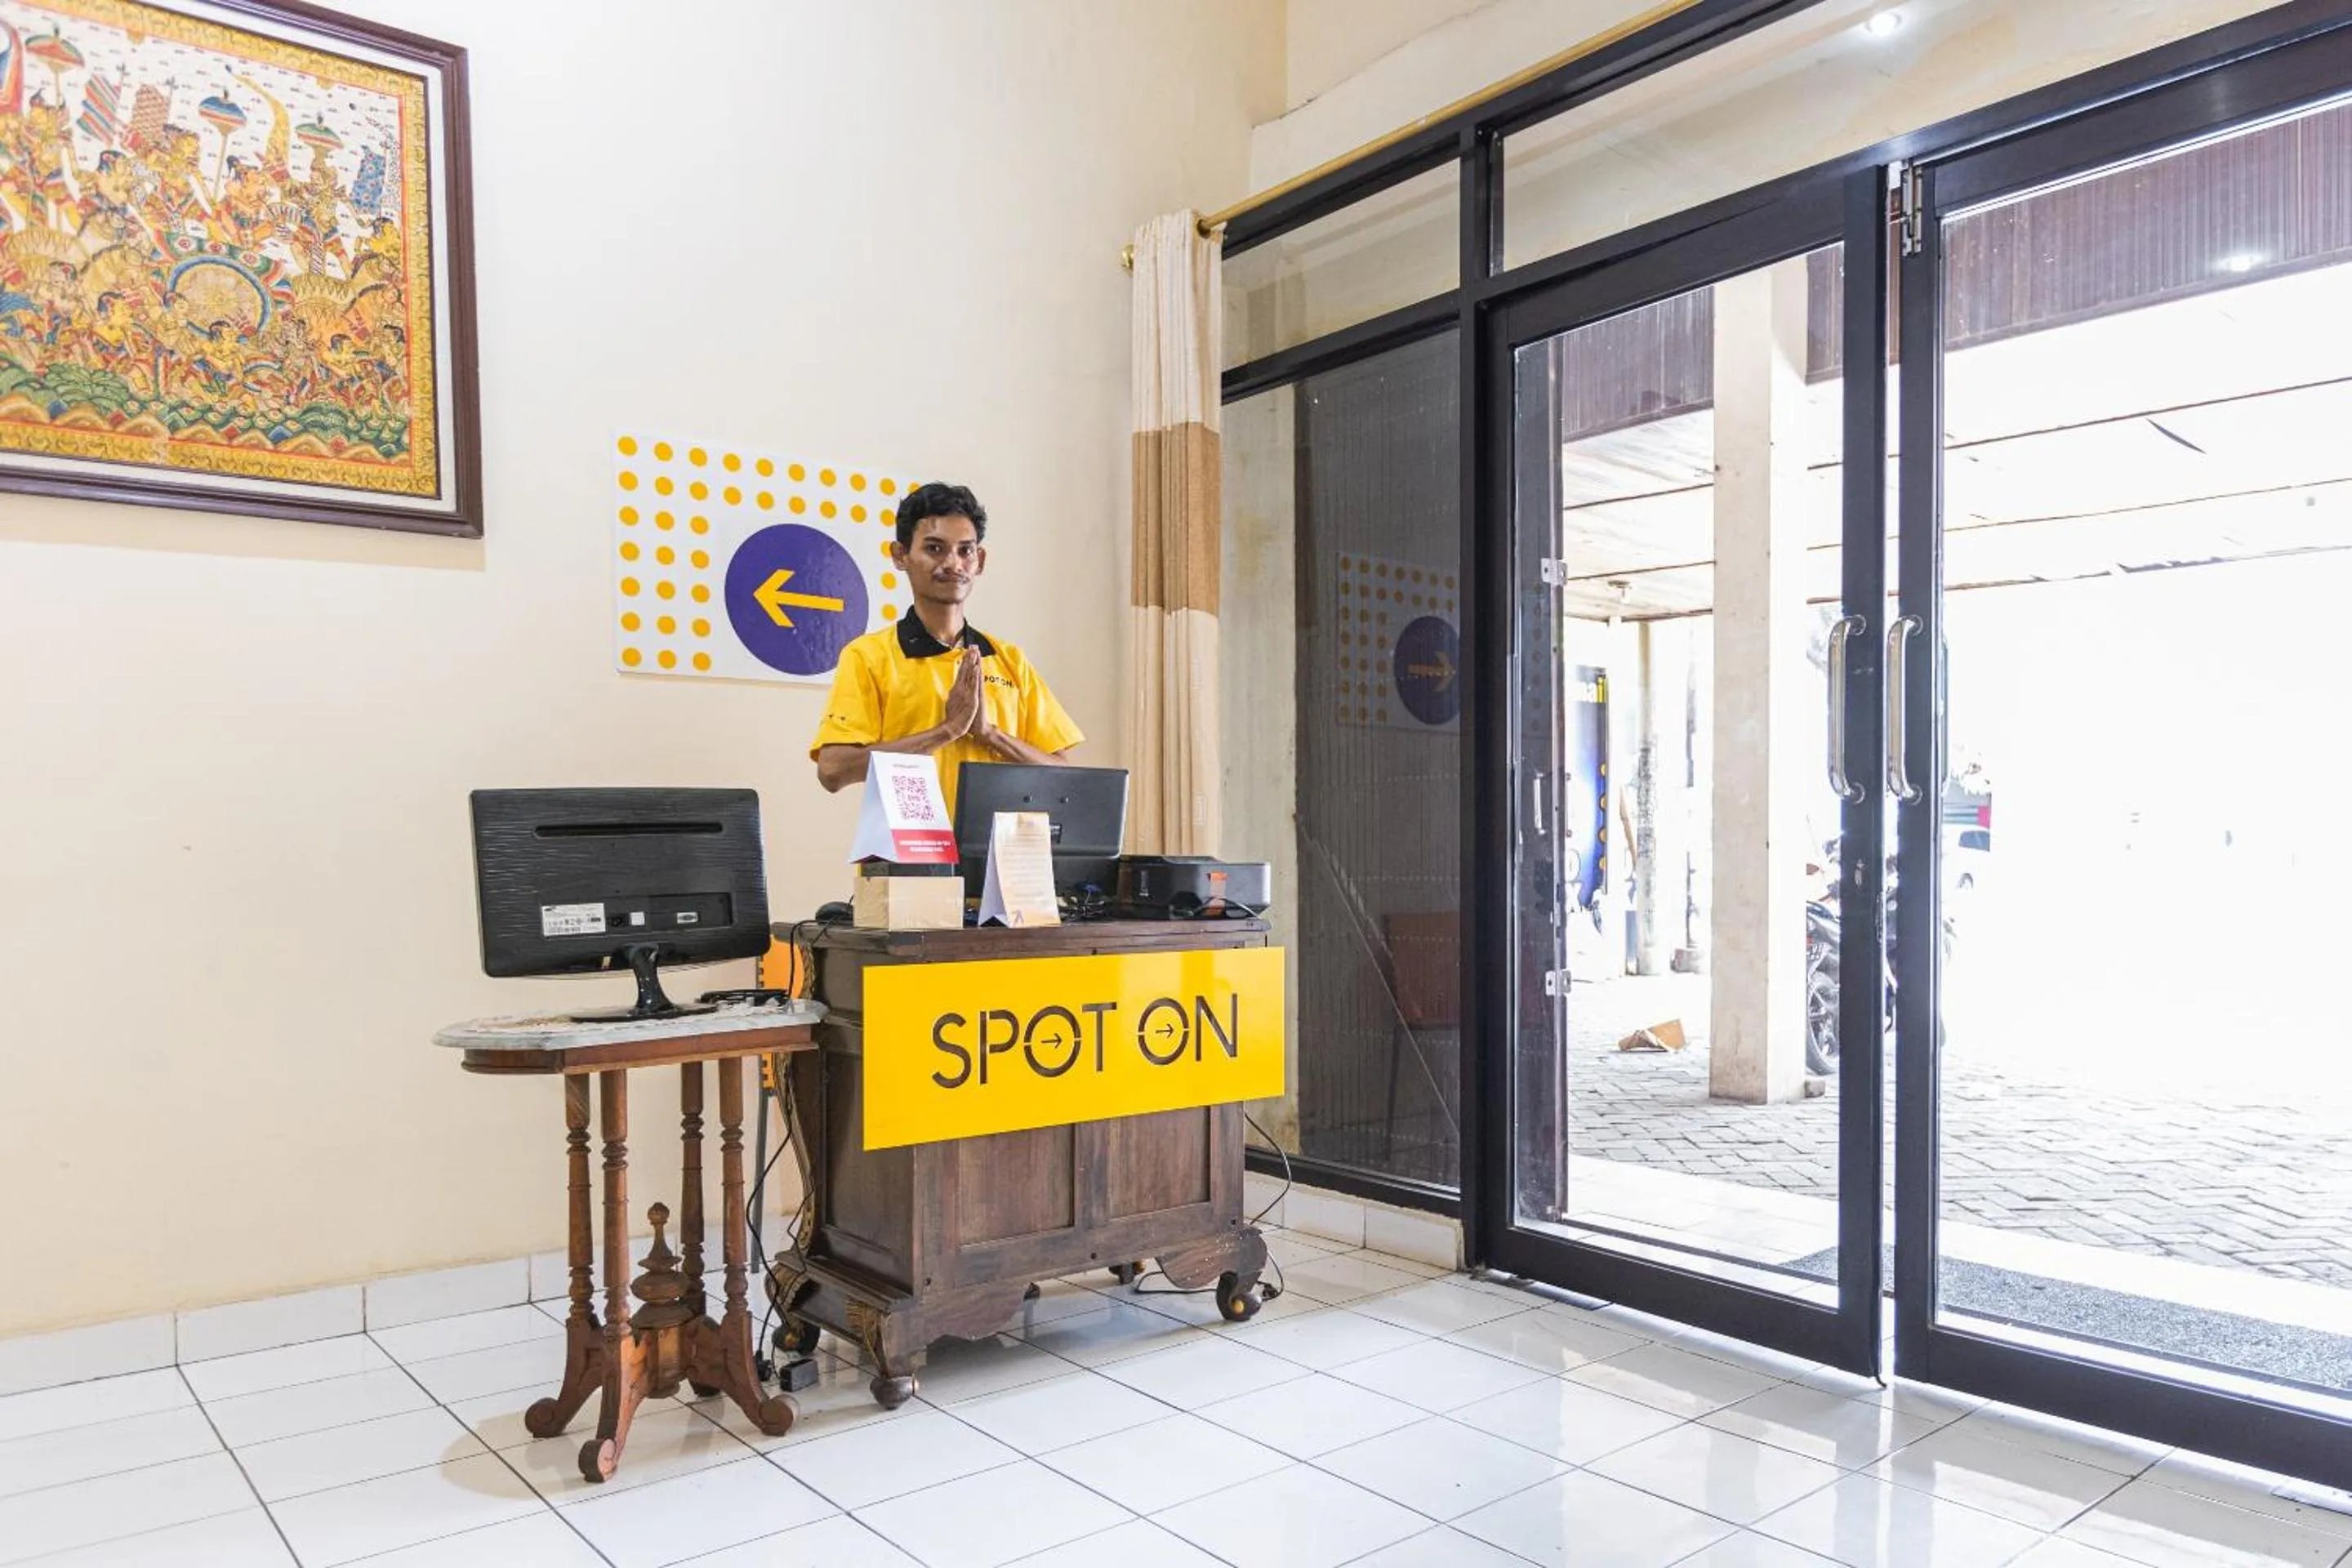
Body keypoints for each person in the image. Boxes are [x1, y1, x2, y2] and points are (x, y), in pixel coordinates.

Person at [811, 482, 1081, 812]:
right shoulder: (869, 656)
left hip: (998, 859)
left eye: (965, 550)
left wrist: (989, 734)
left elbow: (1066, 777)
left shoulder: (1009, 660)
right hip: (909, 859)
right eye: (935, 549)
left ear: (979, 560)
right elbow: (833, 770)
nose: (953, 563)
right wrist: (948, 730)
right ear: (900, 555)